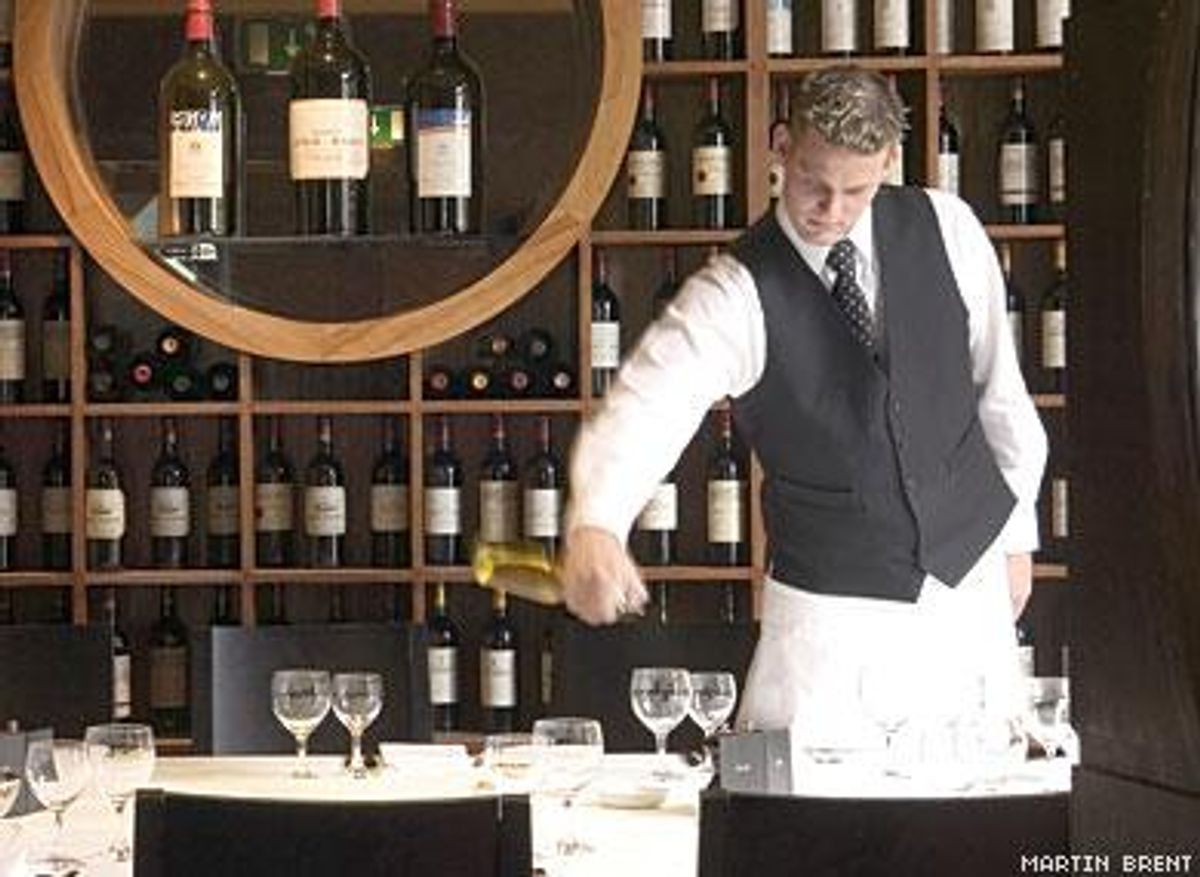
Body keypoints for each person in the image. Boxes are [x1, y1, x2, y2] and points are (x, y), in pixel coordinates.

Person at [560, 66, 1047, 740]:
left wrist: (1015, 537)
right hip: (828, 630)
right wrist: (598, 520)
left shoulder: (948, 227)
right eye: (814, 182)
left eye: (856, 190)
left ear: (889, 161)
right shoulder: (736, 291)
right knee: (821, 806)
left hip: (966, 599)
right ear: (782, 147)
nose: (831, 209)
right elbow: (649, 404)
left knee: (977, 799)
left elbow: (1001, 396)